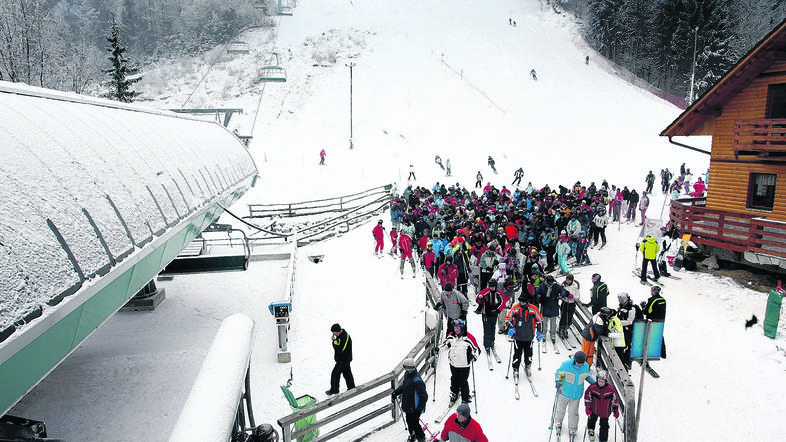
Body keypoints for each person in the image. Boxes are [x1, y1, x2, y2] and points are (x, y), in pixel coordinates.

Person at [553, 351, 594, 442]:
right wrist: (557, 381)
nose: (580, 365)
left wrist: (595, 385)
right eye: (578, 362)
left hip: (576, 394)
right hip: (564, 391)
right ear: (575, 360)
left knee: (573, 412)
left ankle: (572, 428)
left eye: (581, 363)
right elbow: (558, 373)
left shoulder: (585, 366)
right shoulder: (566, 365)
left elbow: (587, 377)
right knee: (561, 408)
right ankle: (558, 422)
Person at [439, 319, 479, 404]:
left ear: (462, 328)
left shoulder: (469, 337)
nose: (456, 330)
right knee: (454, 379)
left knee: (463, 382)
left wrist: (474, 357)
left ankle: (465, 398)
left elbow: (477, 349)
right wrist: (438, 349)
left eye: (458, 328)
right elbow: (445, 345)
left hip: (464, 365)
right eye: (454, 328)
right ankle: (454, 393)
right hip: (453, 363)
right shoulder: (451, 336)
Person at [505, 293, 543, 379]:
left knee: (528, 353)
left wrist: (539, 332)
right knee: (517, 354)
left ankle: (528, 366)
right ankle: (515, 368)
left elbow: (539, 321)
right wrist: (511, 328)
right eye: (520, 301)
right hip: (518, 336)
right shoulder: (515, 308)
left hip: (529, 336)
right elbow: (507, 319)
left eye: (523, 301)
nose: (521, 303)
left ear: (526, 301)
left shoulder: (533, 309)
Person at [392, 357, 428, 442]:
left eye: (405, 367)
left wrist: (418, 410)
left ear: (409, 367)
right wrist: (397, 392)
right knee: (409, 422)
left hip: (414, 408)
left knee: (415, 423)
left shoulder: (417, 380)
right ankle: (412, 434)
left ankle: (421, 438)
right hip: (407, 405)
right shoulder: (407, 375)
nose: (404, 368)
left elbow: (424, 396)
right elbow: (405, 386)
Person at [584, 370, 620, 442]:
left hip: (605, 411)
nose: (600, 383)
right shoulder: (593, 387)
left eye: (602, 382)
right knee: (592, 419)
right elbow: (587, 396)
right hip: (594, 409)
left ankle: (603, 438)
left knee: (604, 425)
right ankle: (591, 429)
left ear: (606, 381)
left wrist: (615, 409)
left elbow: (615, 400)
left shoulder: (611, 389)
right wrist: (588, 407)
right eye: (599, 381)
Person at [475, 278, 504, 360]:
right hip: (486, 314)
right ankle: (486, 344)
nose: (492, 288)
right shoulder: (485, 292)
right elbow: (477, 300)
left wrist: (498, 310)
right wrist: (480, 298)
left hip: (493, 315)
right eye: (490, 286)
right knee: (486, 329)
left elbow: (502, 302)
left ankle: (492, 341)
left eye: (493, 286)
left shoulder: (498, 293)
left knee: (493, 328)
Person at [326, 323, 355, 395]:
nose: (334, 334)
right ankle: (351, 388)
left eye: (334, 332)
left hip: (343, 360)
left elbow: (340, 349)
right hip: (345, 359)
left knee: (335, 374)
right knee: (347, 373)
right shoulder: (340, 336)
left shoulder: (345, 337)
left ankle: (334, 390)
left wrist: (334, 341)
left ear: (338, 331)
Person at [616, 292, 641, 370]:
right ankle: (620, 362)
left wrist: (618, 323)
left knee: (627, 346)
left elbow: (630, 321)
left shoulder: (631, 308)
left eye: (620, 299)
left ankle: (627, 363)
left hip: (628, 331)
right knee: (620, 346)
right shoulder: (621, 307)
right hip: (621, 330)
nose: (619, 301)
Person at [535, 274, 562, 347]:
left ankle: (552, 334)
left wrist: (562, 295)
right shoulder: (542, 286)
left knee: (553, 323)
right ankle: (544, 334)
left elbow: (562, 290)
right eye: (549, 281)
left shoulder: (556, 286)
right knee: (544, 322)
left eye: (551, 281)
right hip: (545, 306)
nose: (550, 283)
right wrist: (540, 298)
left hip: (553, 306)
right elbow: (537, 293)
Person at [642, 286, 667, 359]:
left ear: (655, 291)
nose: (650, 291)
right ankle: (663, 353)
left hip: (652, 321)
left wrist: (643, 306)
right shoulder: (663, 300)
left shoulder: (652, 300)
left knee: (649, 336)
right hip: (660, 321)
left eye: (651, 290)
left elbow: (646, 312)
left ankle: (649, 352)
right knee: (659, 335)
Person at [558, 274, 579, 339]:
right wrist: (563, 296)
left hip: (571, 304)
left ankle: (566, 329)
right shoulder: (563, 285)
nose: (568, 281)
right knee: (563, 316)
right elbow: (560, 293)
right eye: (567, 280)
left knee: (569, 317)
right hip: (565, 303)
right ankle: (561, 329)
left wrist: (572, 296)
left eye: (569, 280)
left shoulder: (575, 286)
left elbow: (578, 296)